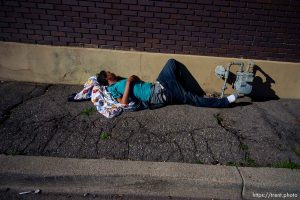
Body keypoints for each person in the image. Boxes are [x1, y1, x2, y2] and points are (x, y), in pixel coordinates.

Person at [96, 59, 238, 109]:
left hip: (158, 85)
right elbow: (124, 103)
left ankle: (181, 90)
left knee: (171, 63)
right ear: (106, 78)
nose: (110, 71)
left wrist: (134, 79)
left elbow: (138, 83)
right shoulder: (112, 89)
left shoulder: (120, 80)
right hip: (158, 95)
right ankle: (224, 102)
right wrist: (128, 82)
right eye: (108, 72)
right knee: (192, 99)